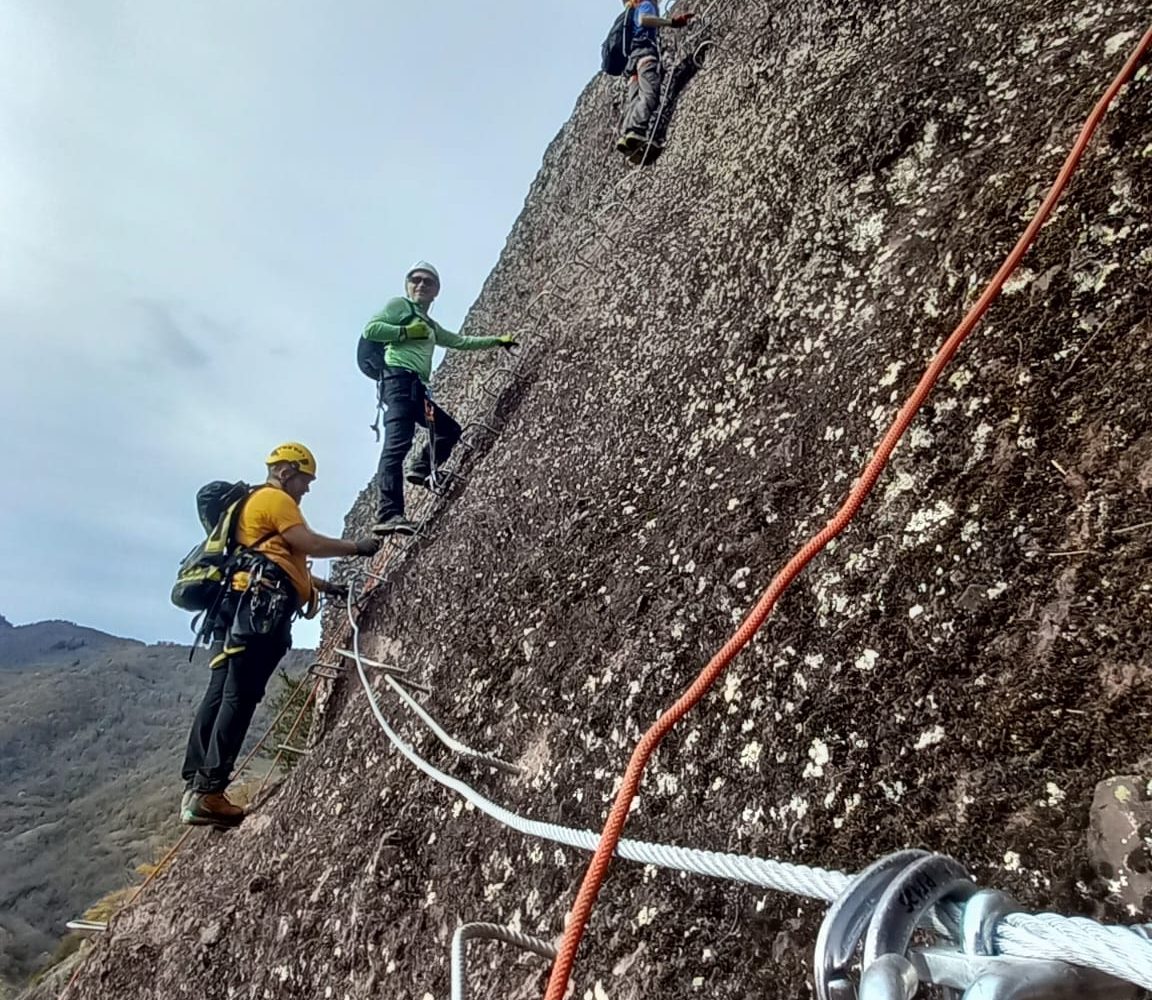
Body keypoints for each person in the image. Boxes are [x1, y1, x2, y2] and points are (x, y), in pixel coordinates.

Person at [180, 443, 380, 827]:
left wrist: (322, 587)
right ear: (287, 470)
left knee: (221, 692)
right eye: (305, 480)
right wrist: (358, 548)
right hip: (256, 613)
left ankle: (195, 786)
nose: (306, 489)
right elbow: (309, 544)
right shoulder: (273, 499)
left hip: (233, 609)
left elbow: (278, 558)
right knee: (239, 695)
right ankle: (210, 791)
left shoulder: (250, 508)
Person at [362, 262, 516, 536]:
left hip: (416, 388)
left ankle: (420, 470)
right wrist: (405, 333)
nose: (421, 285)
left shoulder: (430, 325)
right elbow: (371, 330)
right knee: (397, 445)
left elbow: (460, 341)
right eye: (415, 280)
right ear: (408, 285)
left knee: (449, 430)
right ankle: (388, 513)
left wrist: (498, 340)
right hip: (398, 381)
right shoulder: (400, 306)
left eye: (428, 282)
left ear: (436, 292)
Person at [616, 0, 694, 156]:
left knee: (635, 101)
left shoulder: (629, 14)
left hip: (631, 66)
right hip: (645, 56)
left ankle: (627, 137)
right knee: (650, 95)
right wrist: (672, 22)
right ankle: (635, 130)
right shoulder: (645, 4)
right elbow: (645, 19)